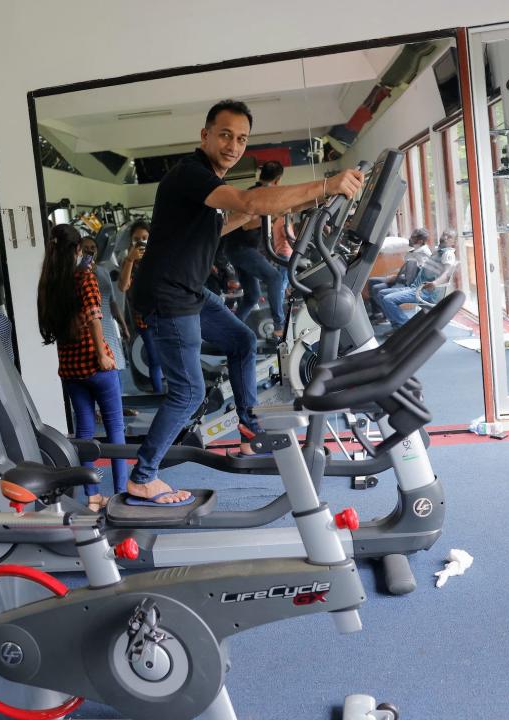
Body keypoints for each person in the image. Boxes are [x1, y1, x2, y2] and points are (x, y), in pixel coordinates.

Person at [127, 99, 363, 505]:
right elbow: (250, 205)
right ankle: (143, 477)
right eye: (224, 135)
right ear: (205, 136)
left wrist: (304, 201)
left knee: (242, 342)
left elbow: (229, 222)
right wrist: (324, 185)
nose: (233, 145)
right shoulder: (191, 174)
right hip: (167, 297)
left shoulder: (205, 185)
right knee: (188, 394)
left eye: (241, 139)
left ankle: (250, 427)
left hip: (189, 291)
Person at [38, 224, 128, 512]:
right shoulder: (84, 276)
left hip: (71, 368)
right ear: (77, 249)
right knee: (115, 428)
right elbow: (94, 316)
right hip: (95, 363)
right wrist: (102, 354)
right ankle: (121, 493)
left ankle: (92, 496)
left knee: (85, 431)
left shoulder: (50, 282)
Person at [226, 160, 288, 337]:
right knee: (275, 278)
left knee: (252, 296)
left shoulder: (254, 192)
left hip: (237, 249)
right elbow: (247, 225)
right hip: (241, 249)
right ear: (277, 180)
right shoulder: (257, 195)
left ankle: (232, 330)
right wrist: (275, 213)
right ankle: (279, 327)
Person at [81, 234, 137, 417]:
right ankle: (99, 410)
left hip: (109, 326)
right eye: (86, 247)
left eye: (93, 247)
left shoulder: (103, 271)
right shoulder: (79, 273)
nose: (90, 250)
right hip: (92, 326)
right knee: (97, 368)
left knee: (117, 365)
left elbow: (113, 301)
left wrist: (123, 325)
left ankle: (118, 407)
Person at [118, 220, 164, 394]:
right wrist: (131, 259)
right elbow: (123, 287)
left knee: (170, 356)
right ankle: (159, 394)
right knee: (154, 357)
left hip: (163, 313)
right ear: (131, 241)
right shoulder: (128, 261)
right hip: (142, 318)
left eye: (145, 237)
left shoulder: (158, 255)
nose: (141, 241)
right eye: (137, 239)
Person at [378, 229, 457, 330]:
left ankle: (406, 327)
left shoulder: (448, 254)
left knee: (388, 299)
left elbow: (447, 275)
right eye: (444, 235)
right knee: (381, 294)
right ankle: (397, 326)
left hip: (426, 292)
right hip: (415, 287)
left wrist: (435, 283)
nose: (445, 238)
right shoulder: (437, 251)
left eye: (449, 237)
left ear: (453, 243)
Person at [366, 227, 431, 322]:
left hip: (408, 284)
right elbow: (408, 268)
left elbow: (416, 277)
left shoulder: (423, 255)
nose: (410, 238)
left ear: (420, 241)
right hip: (401, 278)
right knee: (372, 281)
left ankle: (393, 317)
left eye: (413, 237)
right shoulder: (414, 250)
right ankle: (379, 313)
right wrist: (396, 274)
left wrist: (397, 278)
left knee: (377, 288)